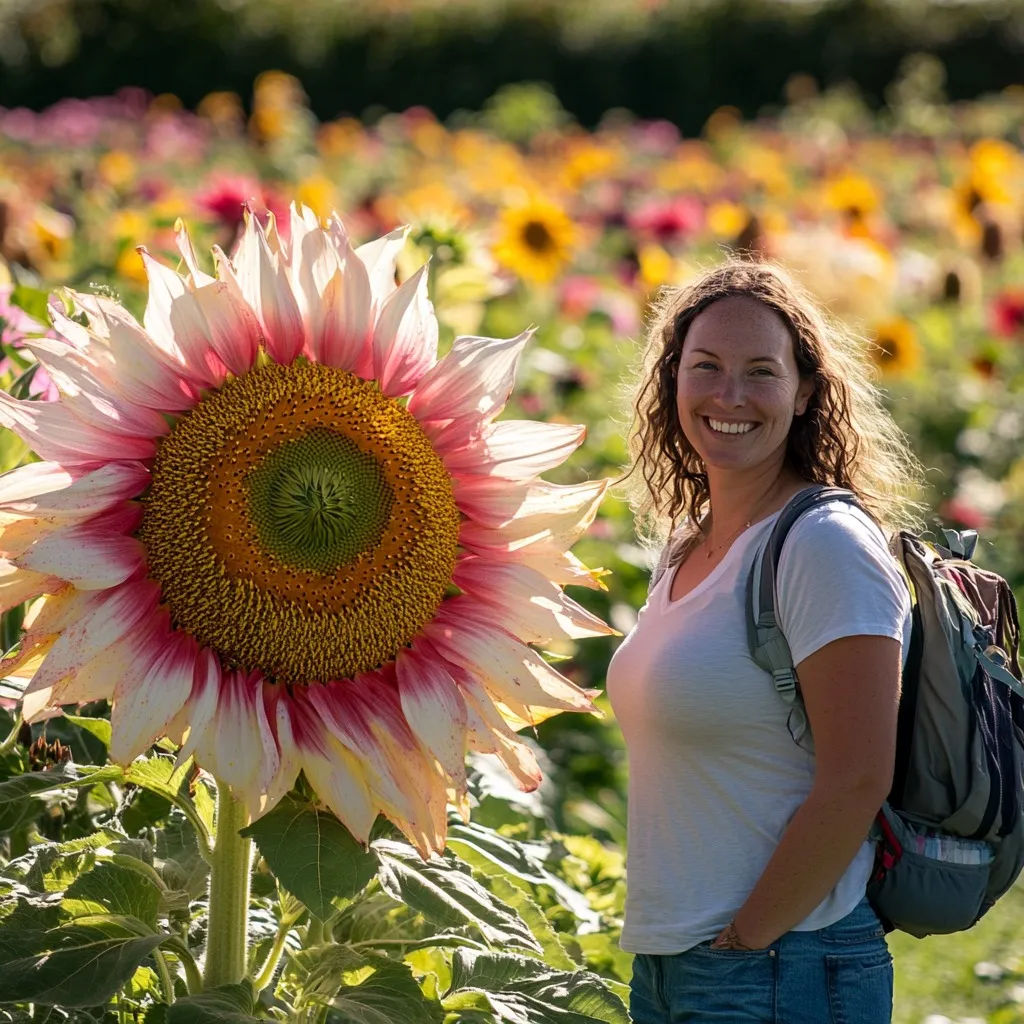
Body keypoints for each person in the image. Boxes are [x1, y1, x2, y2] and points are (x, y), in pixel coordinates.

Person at [606, 258, 926, 1023]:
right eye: (706, 367)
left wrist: (748, 939)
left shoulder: (825, 545)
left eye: (761, 372)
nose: (729, 396)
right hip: (676, 963)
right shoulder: (687, 547)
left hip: (782, 964)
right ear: (671, 378)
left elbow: (857, 777)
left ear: (806, 391)